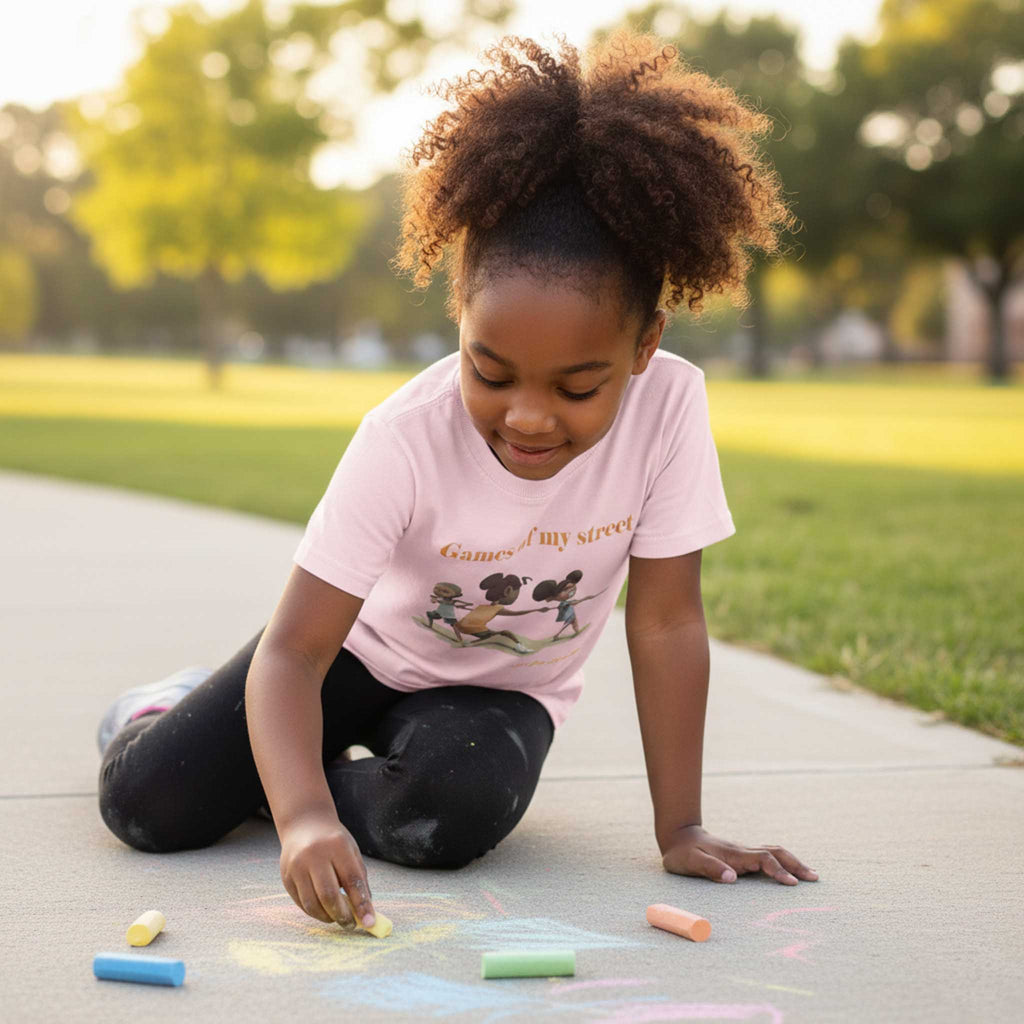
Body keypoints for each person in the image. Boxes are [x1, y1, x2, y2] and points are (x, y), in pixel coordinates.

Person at [96, 29, 817, 933]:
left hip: (496, 695)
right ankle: (174, 711)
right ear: (461, 318)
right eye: (491, 370)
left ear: (644, 346)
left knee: (450, 814)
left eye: (578, 386)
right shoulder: (403, 435)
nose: (527, 417)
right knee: (147, 809)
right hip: (355, 656)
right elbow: (293, 654)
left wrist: (682, 826)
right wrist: (306, 819)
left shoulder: (670, 409)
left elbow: (667, 620)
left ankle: (302, 782)